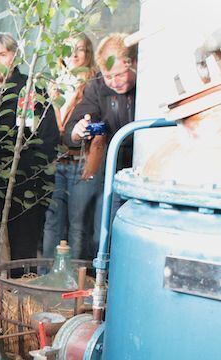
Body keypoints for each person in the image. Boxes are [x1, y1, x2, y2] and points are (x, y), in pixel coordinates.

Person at [0, 33, 58, 270]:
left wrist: (33, 177)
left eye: (2, 54)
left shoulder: (32, 91)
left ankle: (19, 300)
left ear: (15, 57)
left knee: (23, 250)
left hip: (25, 185)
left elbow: (49, 139)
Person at [63, 33, 137, 255]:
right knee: (105, 233)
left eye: (119, 75)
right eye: (108, 76)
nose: (114, 82)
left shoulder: (149, 83)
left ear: (133, 64)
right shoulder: (96, 87)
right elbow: (76, 123)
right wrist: (77, 131)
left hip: (144, 167)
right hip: (113, 169)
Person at [41, 34, 98, 259]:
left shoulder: (93, 83)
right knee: (51, 220)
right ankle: (46, 276)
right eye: (68, 49)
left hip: (81, 161)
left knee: (78, 224)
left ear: (88, 53)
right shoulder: (53, 83)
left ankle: (73, 281)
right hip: (56, 161)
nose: (74, 54)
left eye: (80, 49)